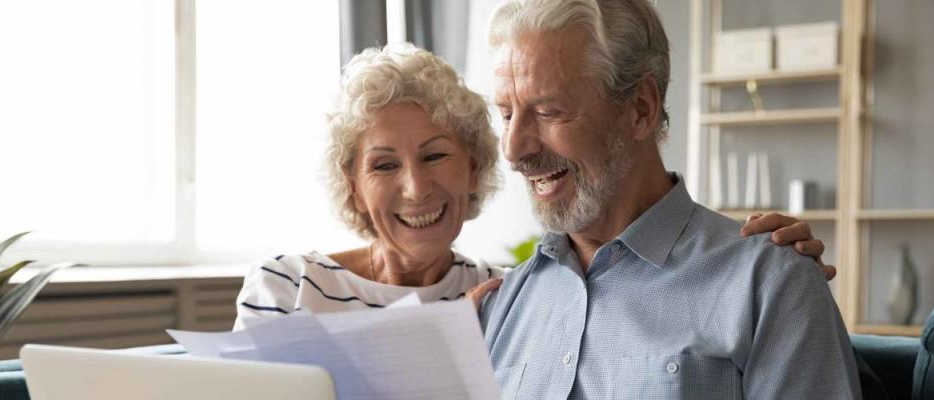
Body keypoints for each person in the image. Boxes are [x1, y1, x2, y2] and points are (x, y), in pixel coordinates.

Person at [232, 43, 830, 335]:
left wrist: (749, 259)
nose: (416, 187)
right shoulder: (286, 287)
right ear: (354, 187)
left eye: (436, 155)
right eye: (384, 165)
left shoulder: (502, 296)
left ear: (473, 169)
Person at [480, 0, 861, 399]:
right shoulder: (502, 303)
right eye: (507, 115)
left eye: (547, 111)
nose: (514, 149)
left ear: (641, 109)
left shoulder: (769, 281)